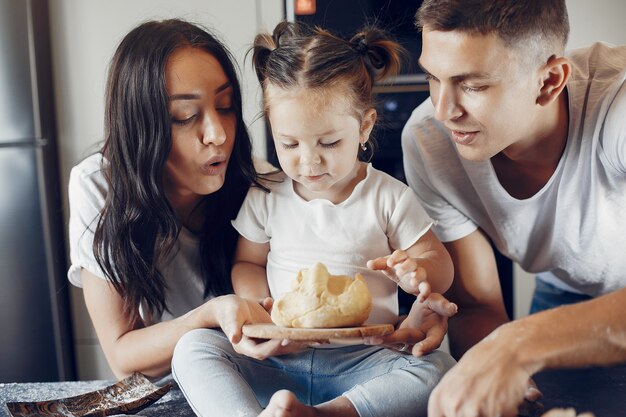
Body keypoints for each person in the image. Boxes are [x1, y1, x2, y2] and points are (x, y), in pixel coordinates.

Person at [172, 21, 457, 417]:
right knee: (193, 347)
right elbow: (247, 262)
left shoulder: (389, 197)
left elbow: (440, 267)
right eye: (288, 143)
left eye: (328, 142)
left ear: (364, 127)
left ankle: (330, 413)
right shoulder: (267, 194)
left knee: (441, 369)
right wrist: (259, 305)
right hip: (278, 359)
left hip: (365, 360)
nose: (308, 161)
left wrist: (419, 271)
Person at [400, 1, 626, 416]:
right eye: (434, 77)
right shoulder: (427, 142)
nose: (444, 110)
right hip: (566, 287)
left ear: (549, 81)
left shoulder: (619, 107)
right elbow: (478, 306)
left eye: (473, 86)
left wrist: (517, 343)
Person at [67, 18, 282, 379]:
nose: (217, 135)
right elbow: (122, 355)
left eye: (226, 106)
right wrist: (210, 315)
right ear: (140, 125)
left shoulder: (262, 186)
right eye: (184, 116)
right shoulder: (100, 186)